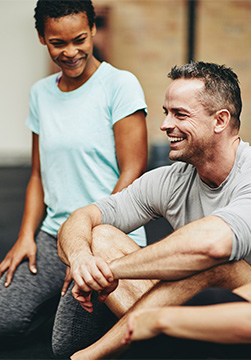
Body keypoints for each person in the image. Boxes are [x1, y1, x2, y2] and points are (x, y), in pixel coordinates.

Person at [57, 61, 251, 359]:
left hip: (241, 316)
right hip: (188, 311)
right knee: (101, 236)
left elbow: (212, 244)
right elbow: (82, 217)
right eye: (166, 113)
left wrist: (108, 272)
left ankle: (90, 356)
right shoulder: (170, 180)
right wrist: (83, 260)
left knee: (220, 263)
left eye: (180, 114)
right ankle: (160, 346)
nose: (164, 124)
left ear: (220, 120)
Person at [0, 0, 148, 357]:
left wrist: (85, 249)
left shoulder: (120, 85)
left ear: (93, 30)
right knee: (6, 317)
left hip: (107, 235)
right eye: (58, 43)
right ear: (42, 38)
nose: (70, 52)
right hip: (54, 234)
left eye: (79, 39)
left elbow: (133, 170)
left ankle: (116, 304)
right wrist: (26, 237)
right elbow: (37, 174)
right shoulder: (41, 94)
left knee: (67, 343)